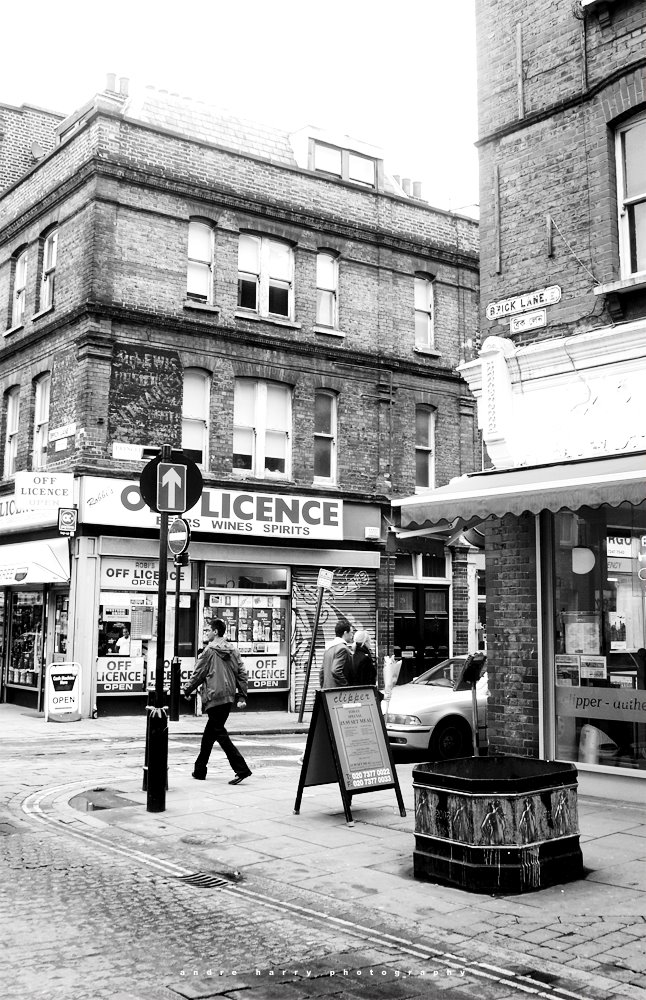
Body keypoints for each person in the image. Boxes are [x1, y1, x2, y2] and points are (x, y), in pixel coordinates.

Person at [183, 618, 251, 785]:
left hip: (214, 698)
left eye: (208, 630)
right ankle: (199, 770)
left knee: (220, 734)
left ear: (215, 632)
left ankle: (241, 769)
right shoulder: (233, 650)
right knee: (209, 736)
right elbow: (241, 673)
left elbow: (199, 673)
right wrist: (241, 695)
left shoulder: (209, 651)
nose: (206, 633)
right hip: (227, 698)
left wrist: (187, 690)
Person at [319, 619, 353, 688]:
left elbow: (321, 672)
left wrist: (323, 688)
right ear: (345, 633)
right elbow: (336, 671)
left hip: (327, 692)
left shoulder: (328, 648)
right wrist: (346, 686)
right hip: (338, 694)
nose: (352, 635)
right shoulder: (343, 649)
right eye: (351, 632)